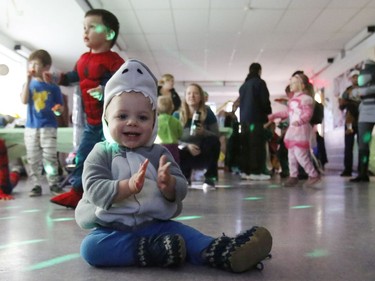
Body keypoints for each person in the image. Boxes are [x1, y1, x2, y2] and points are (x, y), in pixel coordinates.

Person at [74, 59, 272, 272]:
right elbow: (93, 188)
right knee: (91, 248)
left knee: (187, 235)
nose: (132, 122)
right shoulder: (101, 152)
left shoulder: (159, 153)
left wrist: (168, 186)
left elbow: (181, 187)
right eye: (122, 116)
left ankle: (224, 251)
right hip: (111, 229)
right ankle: (150, 250)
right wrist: (127, 187)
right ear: (106, 119)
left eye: (142, 117)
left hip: (156, 226)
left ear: (153, 123)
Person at [50, 9, 125, 208]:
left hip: (111, 123)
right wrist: (56, 77)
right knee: (83, 155)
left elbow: (123, 81)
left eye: (92, 27)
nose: (86, 31)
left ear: (109, 34)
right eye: (84, 27)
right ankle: (77, 192)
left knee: (114, 159)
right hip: (91, 123)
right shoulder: (83, 58)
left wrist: (105, 89)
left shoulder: (114, 60)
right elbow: (73, 77)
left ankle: (117, 192)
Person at [20, 49, 65, 197]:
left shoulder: (53, 86)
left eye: (36, 64)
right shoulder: (29, 84)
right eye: (30, 63)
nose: (33, 66)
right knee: (32, 158)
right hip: (31, 128)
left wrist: (58, 110)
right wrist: (27, 80)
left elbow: (60, 109)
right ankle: (36, 185)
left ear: (46, 67)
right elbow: (24, 100)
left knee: (50, 157)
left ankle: (53, 183)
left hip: (49, 127)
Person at [268, 73, 320, 187]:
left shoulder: (306, 99)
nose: (291, 85)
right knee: (291, 154)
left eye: (293, 83)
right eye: (291, 83)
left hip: (300, 129)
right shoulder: (293, 100)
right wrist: (274, 115)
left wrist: (300, 121)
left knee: (300, 154)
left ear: (302, 85)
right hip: (293, 129)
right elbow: (288, 113)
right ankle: (293, 175)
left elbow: (308, 113)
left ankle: (313, 174)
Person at [173, 83, 221, 190]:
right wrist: (187, 145)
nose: (192, 96)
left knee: (213, 141)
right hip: (185, 152)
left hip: (203, 151)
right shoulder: (177, 115)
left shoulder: (208, 113)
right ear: (185, 97)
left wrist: (204, 132)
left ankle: (210, 179)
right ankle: (184, 178)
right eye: (189, 93)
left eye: (195, 93)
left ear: (201, 97)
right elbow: (172, 138)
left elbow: (216, 135)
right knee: (176, 147)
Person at [232, 62, 272, 181]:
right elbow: (264, 101)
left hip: (244, 121)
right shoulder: (259, 83)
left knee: (246, 145)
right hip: (256, 119)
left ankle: (246, 171)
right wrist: (268, 113)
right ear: (259, 71)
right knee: (257, 145)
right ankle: (256, 172)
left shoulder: (243, 86)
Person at [350, 60, 375, 182]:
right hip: (365, 111)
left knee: (363, 144)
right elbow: (355, 93)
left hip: (366, 111)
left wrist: (360, 91)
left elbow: (358, 92)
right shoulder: (361, 85)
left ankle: (363, 173)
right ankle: (362, 173)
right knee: (363, 144)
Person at [338, 69, 360, 177]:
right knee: (348, 146)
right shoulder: (347, 91)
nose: (355, 79)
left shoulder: (365, 89)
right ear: (351, 79)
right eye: (354, 77)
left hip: (362, 120)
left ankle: (362, 170)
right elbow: (341, 106)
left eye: (357, 76)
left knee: (362, 146)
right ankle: (348, 169)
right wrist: (345, 103)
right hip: (349, 121)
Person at [157, 95, 183, 163]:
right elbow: (180, 133)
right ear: (172, 107)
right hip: (173, 147)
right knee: (174, 163)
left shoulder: (155, 121)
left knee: (159, 163)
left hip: (158, 146)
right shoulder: (176, 121)